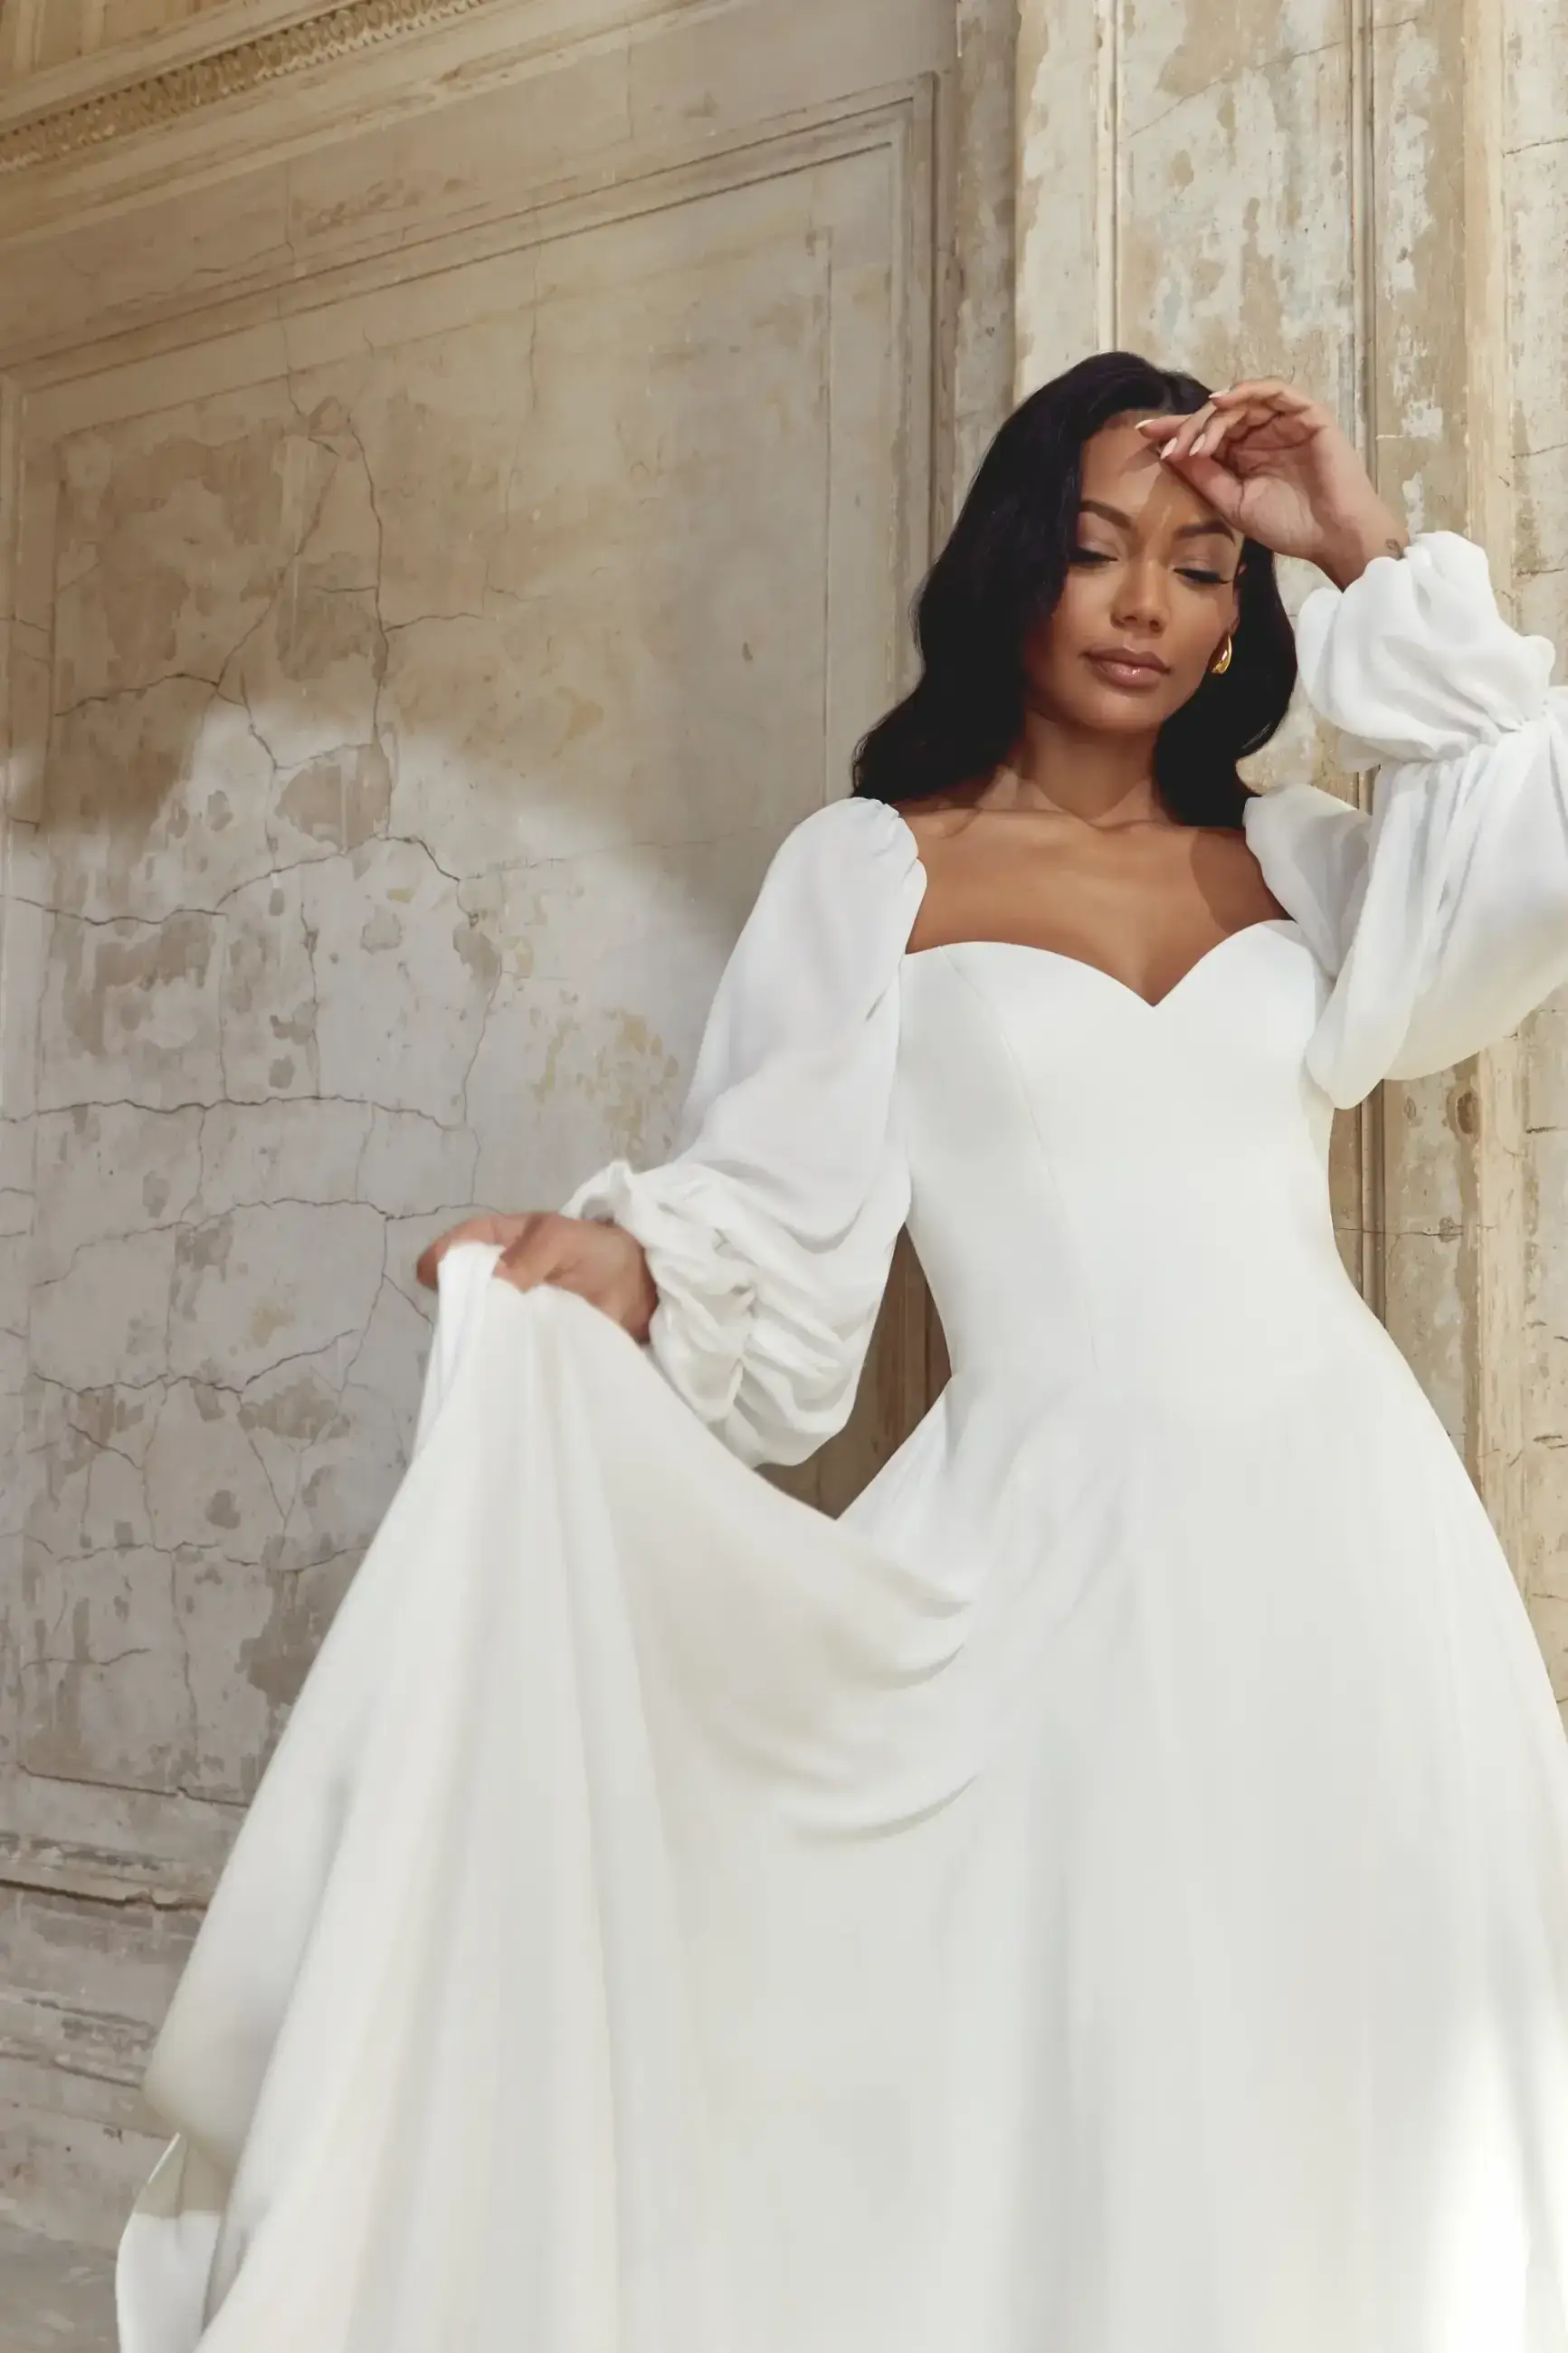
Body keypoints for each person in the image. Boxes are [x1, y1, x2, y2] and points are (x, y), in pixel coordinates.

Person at [116, 353, 1568, 2353]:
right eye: (1093, 553)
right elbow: (775, 1235)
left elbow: (1528, 821)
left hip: (1352, 1552)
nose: (1147, 604)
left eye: (1201, 565)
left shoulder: (1306, 867)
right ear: (1009, 574)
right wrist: (608, 1267)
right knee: (1074, 2071)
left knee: (1356, 2056)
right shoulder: (875, 869)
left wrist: (1360, 540)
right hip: (1051, 1564)